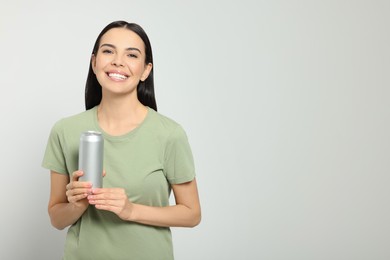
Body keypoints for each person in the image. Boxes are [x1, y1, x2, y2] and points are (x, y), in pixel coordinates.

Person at [42, 20, 201, 260]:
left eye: (132, 55)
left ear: (145, 70)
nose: (118, 61)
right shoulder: (65, 130)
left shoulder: (169, 134)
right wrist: (77, 205)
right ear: (94, 62)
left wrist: (131, 210)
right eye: (108, 51)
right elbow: (56, 218)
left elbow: (191, 214)